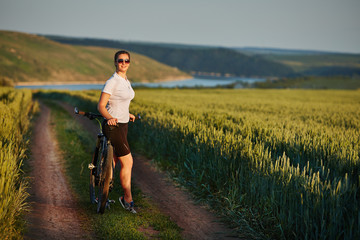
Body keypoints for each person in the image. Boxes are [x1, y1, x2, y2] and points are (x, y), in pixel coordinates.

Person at [97, 50, 136, 214]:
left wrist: (127, 114)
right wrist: (110, 117)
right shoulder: (112, 81)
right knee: (128, 162)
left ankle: (103, 194)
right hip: (113, 126)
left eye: (127, 61)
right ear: (115, 62)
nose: (124, 63)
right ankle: (126, 199)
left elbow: (119, 103)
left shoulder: (125, 80)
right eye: (121, 61)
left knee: (113, 160)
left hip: (123, 124)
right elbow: (101, 106)